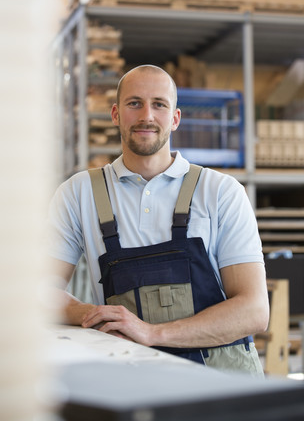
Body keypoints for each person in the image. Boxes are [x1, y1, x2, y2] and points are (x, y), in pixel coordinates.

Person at [47, 64, 269, 375]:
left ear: (175, 118)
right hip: (135, 382)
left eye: (159, 105)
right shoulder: (78, 193)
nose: (146, 116)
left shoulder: (221, 192)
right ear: (115, 114)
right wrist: (97, 314)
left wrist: (152, 333)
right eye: (134, 103)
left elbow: (254, 311)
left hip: (223, 386)